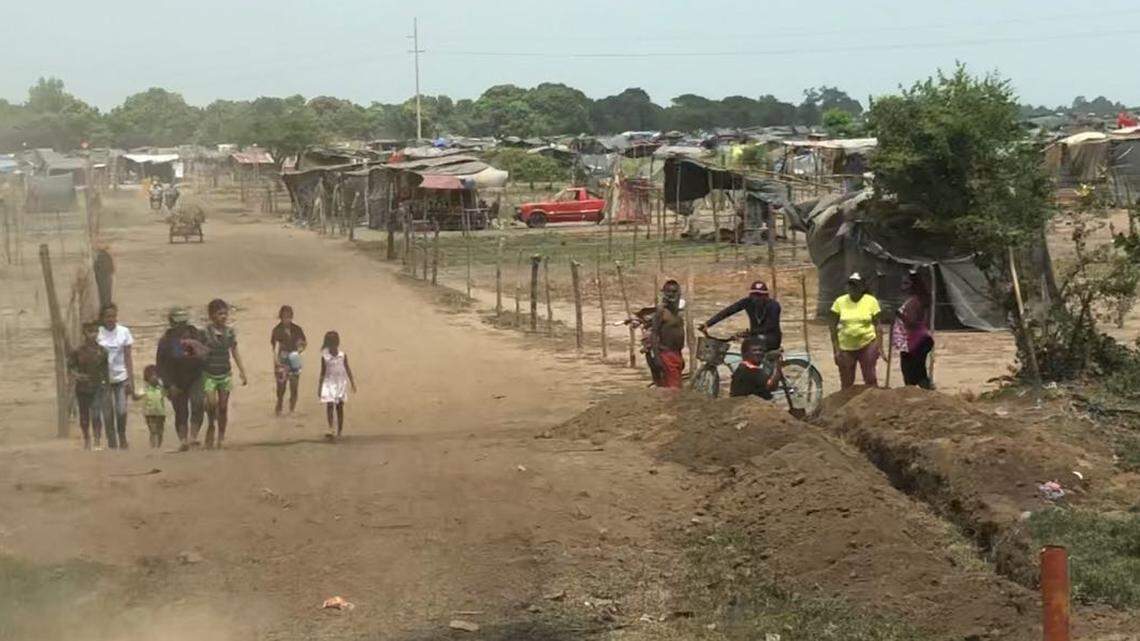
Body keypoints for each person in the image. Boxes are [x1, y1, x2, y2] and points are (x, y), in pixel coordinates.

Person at [156, 307, 207, 450]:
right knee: (181, 410)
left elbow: (207, 355)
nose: (181, 325)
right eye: (178, 322)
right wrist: (168, 384)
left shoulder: (197, 335)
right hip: (175, 379)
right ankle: (183, 440)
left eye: (183, 321)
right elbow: (160, 365)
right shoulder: (165, 342)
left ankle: (193, 437)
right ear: (171, 323)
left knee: (198, 404)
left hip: (196, 376)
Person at [201, 299, 248, 449]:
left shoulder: (229, 333)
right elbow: (198, 352)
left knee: (223, 406)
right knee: (211, 404)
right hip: (209, 374)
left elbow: (234, 352)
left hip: (225, 374)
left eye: (225, 313)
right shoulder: (205, 333)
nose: (223, 316)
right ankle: (210, 425)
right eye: (220, 313)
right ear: (212, 315)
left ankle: (221, 435)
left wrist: (242, 371)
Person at [829, 272, 885, 389]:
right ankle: (846, 404)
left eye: (855, 285)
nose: (852, 288)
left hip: (867, 343)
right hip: (846, 346)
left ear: (863, 287)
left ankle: (872, 402)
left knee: (870, 377)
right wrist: (836, 349)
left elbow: (878, 325)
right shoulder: (840, 302)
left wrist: (880, 347)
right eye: (850, 285)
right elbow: (832, 326)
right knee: (847, 381)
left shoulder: (871, 301)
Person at [700, 280, 782, 352]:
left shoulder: (774, 306)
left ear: (766, 296)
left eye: (760, 296)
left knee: (749, 346)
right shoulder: (747, 302)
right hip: (754, 336)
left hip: (772, 338)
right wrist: (708, 324)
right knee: (747, 348)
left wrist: (749, 333)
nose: (757, 299)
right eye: (755, 296)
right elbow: (728, 311)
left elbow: (771, 326)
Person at [97, 303, 134, 449]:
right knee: (107, 412)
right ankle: (111, 440)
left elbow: (128, 357)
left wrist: (131, 380)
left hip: (121, 377)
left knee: (121, 410)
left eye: (113, 316)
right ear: (103, 318)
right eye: (107, 316)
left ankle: (122, 435)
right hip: (104, 379)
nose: (110, 319)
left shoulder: (124, 332)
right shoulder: (98, 333)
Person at [67, 321, 108, 450]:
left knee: (96, 413)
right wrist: (78, 376)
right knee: (84, 415)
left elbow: (106, 370)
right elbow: (71, 367)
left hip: (97, 387)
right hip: (82, 388)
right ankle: (86, 439)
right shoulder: (78, 351)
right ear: (85, 333)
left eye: (95, 331)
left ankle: (97, 439)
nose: (93, 334)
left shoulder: (102, 351)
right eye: (90, 331)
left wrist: (106, 385)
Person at [893, 271, 934, 389]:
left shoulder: (914, 302)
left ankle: (925, 396)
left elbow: (912, 322)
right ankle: (923, 395)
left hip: (915, 341)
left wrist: (898, 314)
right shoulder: (913, 300)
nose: (902, 286)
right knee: (916, 372)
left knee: (914, 374)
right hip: (914, 340)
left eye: (906, 283)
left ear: (913, 285)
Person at [318, 331, 356, 439]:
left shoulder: (342, 355)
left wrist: (352, 382)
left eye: (334, 343)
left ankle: (340, 429)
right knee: (329, 405)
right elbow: (322, 373)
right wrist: (320, 387)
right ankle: (331, 428)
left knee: (339, 407)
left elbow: (347, 369)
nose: (333, 346)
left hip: (340, 383)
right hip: (329, 383)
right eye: (331, 343)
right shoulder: (325, 357)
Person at [270, 305, 307, 416]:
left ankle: (292, 408)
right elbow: (275, 347)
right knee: (281, 385)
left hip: (294, 357)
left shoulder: (297, 329)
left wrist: (300, 349)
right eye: (284, 317)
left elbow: (303, 343)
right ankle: (280, 402)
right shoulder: (277, 330)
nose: (287, 319)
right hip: (282, 358)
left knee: (294, 385)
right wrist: (276, 362)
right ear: (281, 317)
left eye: (289, 317)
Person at [650, 280, 686, 389]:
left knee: (674, 387)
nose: (672, 295)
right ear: (664, 294)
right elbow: (654, 334)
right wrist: (657, 357)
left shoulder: (678, 313)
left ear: (679, 293)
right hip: (666, 354)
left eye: (675, 292)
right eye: (669, 292)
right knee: (673, 390)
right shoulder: (662, 311)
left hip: (677, 354)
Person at [138, 365, 167, 449]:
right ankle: (153, 446)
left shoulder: (160, 386)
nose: (154, 378)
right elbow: (138, 396)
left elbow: (166, 393)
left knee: (160, 430)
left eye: (155, 375)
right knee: (153, 430)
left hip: (160, 413)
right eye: (151, 375)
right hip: (149, 413)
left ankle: (159, 445)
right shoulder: (145, 387)